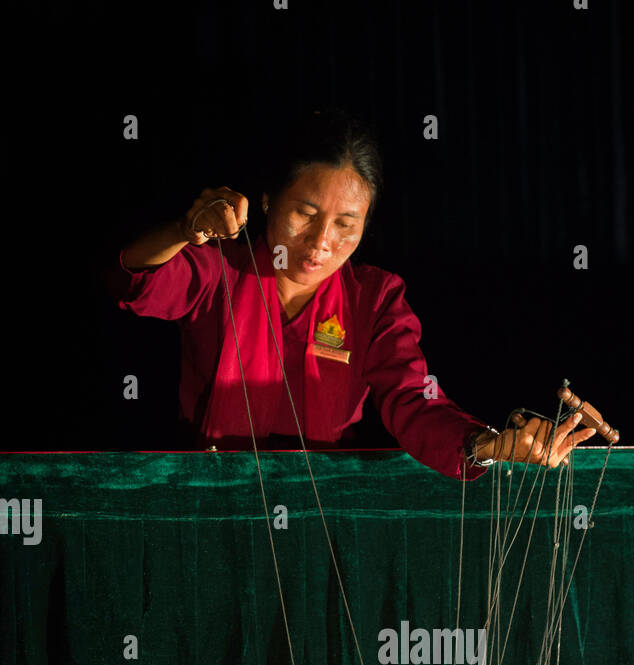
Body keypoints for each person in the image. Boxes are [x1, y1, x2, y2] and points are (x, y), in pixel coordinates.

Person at [112, 108, 596, 475]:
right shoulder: (218, 268)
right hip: (204, 503)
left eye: (346, 224)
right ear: (266, 199)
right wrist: (184, 229)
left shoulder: (374, 299)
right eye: (304, 212)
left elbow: (414, 401)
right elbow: (136, 280)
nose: (322, 243)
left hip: (320, 515)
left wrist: (487, 446)